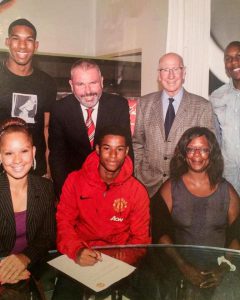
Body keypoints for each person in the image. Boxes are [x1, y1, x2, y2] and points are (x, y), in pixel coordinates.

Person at [53, 126, 150, 299]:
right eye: (107, 148)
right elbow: (63, 223)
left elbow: (140, 240)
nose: (113, 155)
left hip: (119, 261)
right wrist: (77, 251)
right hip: (80, 255)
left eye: (119, 149)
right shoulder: (75, 180)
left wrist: (120, 258)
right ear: (97, 149)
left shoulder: (137, 191)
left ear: (127, 151)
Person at [152, 127, 240, 299]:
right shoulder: (170, 189)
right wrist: (183, 266)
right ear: (184, 154)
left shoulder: (227, 190)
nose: (197, 155)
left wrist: (222, 269)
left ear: (211, 153)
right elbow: (160, 234)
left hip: (220, 268)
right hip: (178, 266)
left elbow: (237, 236)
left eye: (203, 149)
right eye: (191, 149)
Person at [133, 52, 215, 198]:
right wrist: (139, 173)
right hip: (148, 187)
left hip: (185, 188)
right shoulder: (144, 103)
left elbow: (208, 151)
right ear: (159, 75)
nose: (171, 75)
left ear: (184, 73)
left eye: (176, 69)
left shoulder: (202, 106)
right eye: (165, 70)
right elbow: (138, 143)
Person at [49, 59, 133, 197]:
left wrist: (121, 192)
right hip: (75, 188)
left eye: (93, 83)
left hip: (111, 187)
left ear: (101, 81)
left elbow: (126, 153)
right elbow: (57, 158)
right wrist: (65, 194)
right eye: (80, 84)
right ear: (71, 85)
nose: (88, 91)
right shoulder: (60, 110)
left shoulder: (119, 106)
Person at [0, 117, 56, 296]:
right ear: (0, 156)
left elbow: (47, 236)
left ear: (33, 152)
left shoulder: (45, 188)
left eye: (23, 151)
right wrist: (4, 271)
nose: (17, 160)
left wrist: (24, 258)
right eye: (9, 153)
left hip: (32, 267)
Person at [0, 18, 57, 178]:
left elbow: (46, 129)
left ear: (36, 45)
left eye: (28, 40)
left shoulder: (47, 83)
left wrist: (48, 169)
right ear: (7, 42)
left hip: (35, 168)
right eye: (16, 39)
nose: (22, 45)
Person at [210, 41, 240, 195]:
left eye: (238, 56)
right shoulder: (216, 97)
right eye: (228, 58)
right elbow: (216, 139)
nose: (234, 62)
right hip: (227, 178)